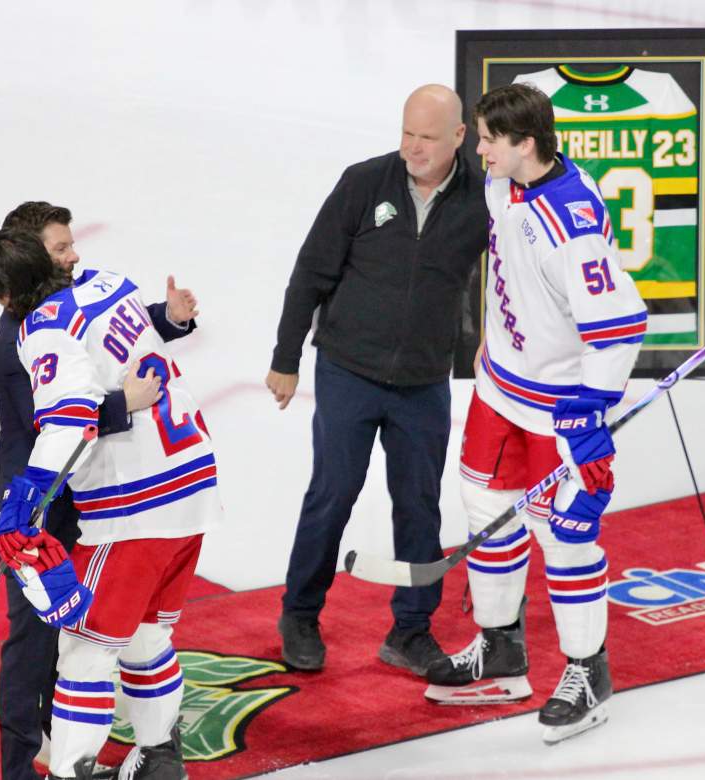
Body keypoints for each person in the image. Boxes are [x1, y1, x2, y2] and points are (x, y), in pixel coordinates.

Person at [422, 83, 647, 745]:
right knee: (485, 509)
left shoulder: (570, 226)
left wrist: (593, 409)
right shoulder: (504, 183)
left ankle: (589, 672)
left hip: (556, 408)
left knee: (567, 535)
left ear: (524, 144)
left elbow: (620, 324)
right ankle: (501, 646)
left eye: (488, 137)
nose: (478, 147)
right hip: (500, 389)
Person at [0, 229, 223, 779]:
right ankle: (160, 760)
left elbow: (67, 419)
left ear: (7, 295)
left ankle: (69, 772)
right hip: (192, 486)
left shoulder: (41, 329)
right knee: (145, 635)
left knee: (85, 652)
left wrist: (21, 502)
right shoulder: (105, 283)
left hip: (134, 506)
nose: (75, 253)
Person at [266, 84, 488, 674]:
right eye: (407, 134)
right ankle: (300, 613)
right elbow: (310, 272)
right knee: (332, 492)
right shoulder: (364, 182)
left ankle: (412, 630)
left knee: (418, 506)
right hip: (347, 370)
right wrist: (286, 358)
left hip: (422, 381)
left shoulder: (485, 197)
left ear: (459, 138)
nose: (413, 148)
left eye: (429, 138)